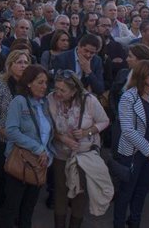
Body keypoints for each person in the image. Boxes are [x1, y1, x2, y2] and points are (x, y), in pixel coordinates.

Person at [48, 70, 110, 228]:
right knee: (61, 191)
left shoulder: (89, 100)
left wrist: (86, 132)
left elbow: (104, 121)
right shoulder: (50, 99)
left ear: (74, 90)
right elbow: (47, 127)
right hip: (61, 154)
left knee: (79, 193)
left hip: (84, 155)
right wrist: (62, 138)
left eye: (63, 90)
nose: (58, 93)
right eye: (56, 88)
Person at [114, 60, 149, 228]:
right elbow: (128, 130)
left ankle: (135, 222)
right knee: (126, 193)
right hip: (133, 154)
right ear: (141, 75)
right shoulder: (128, 97)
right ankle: (118, 224)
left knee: (141, 192)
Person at [0, 65, 54, 228]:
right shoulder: (19, 102)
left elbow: (48, 132)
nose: (44, 86)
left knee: (28, 210)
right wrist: (37, 148)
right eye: (40, 82)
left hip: (39, 164)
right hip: (21, 162)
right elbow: (11, 131)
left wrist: (47, 152)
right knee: (11, 209)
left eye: (45, 82)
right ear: (29, 83)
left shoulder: (45, 103)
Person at [0, 49, 30, 219]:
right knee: (1, 181)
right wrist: (12, 137)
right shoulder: (0, 87)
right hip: (2, 142)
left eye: (25, 62)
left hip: (24, 144)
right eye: (19, 62)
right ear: (10, 65)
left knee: (19, 182)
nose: (23, 66)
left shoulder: (29, 87)